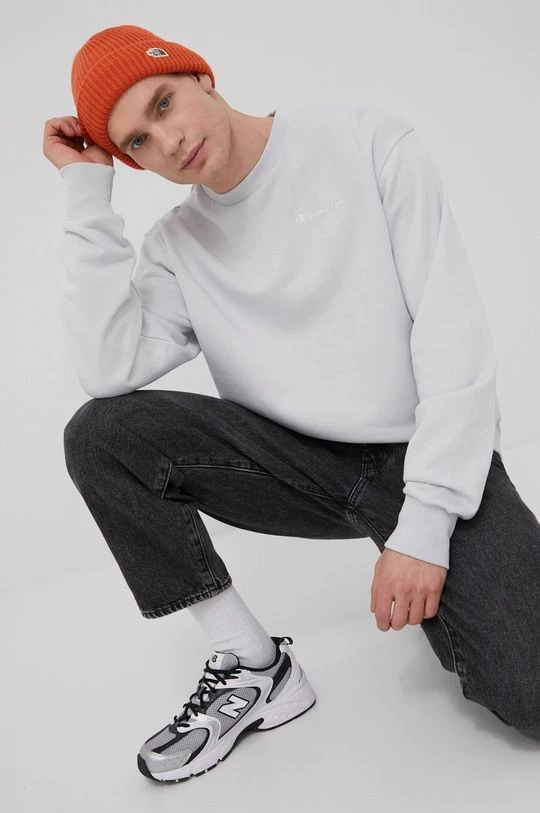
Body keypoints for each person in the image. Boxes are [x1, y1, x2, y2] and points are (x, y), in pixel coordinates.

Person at [42, 24, 540, 782]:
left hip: (427, 450)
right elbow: (108, 368)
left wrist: (426, 525)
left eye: (164, 103)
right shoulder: (177, 246)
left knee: (532, 690)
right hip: (297, 467)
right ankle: (254, 667)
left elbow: (454, 337)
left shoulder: (368, 144)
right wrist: (85, 191)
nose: (168, 143)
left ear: (200, 78)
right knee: (102, 435)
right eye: (138, 142)